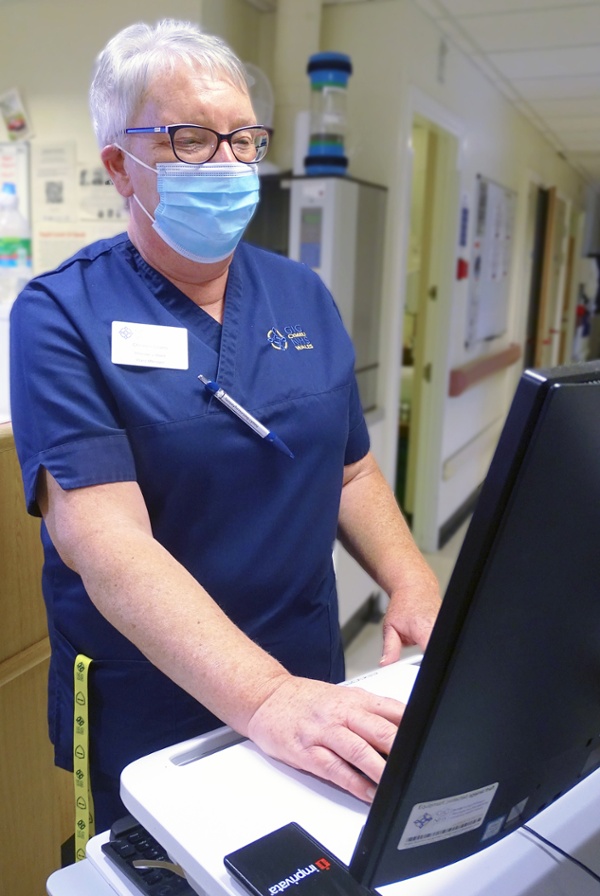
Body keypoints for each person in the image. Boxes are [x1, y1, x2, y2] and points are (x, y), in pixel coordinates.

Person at [9, 19, 441, 832]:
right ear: (120, 167)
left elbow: (350, 469)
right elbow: (107, 544)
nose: (231, 163)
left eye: (244, 139)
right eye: (192, 138)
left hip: (305, 677)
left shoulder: (301, 294)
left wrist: (411, 579)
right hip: (151, 697)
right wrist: (264, 696)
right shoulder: (60, 313)